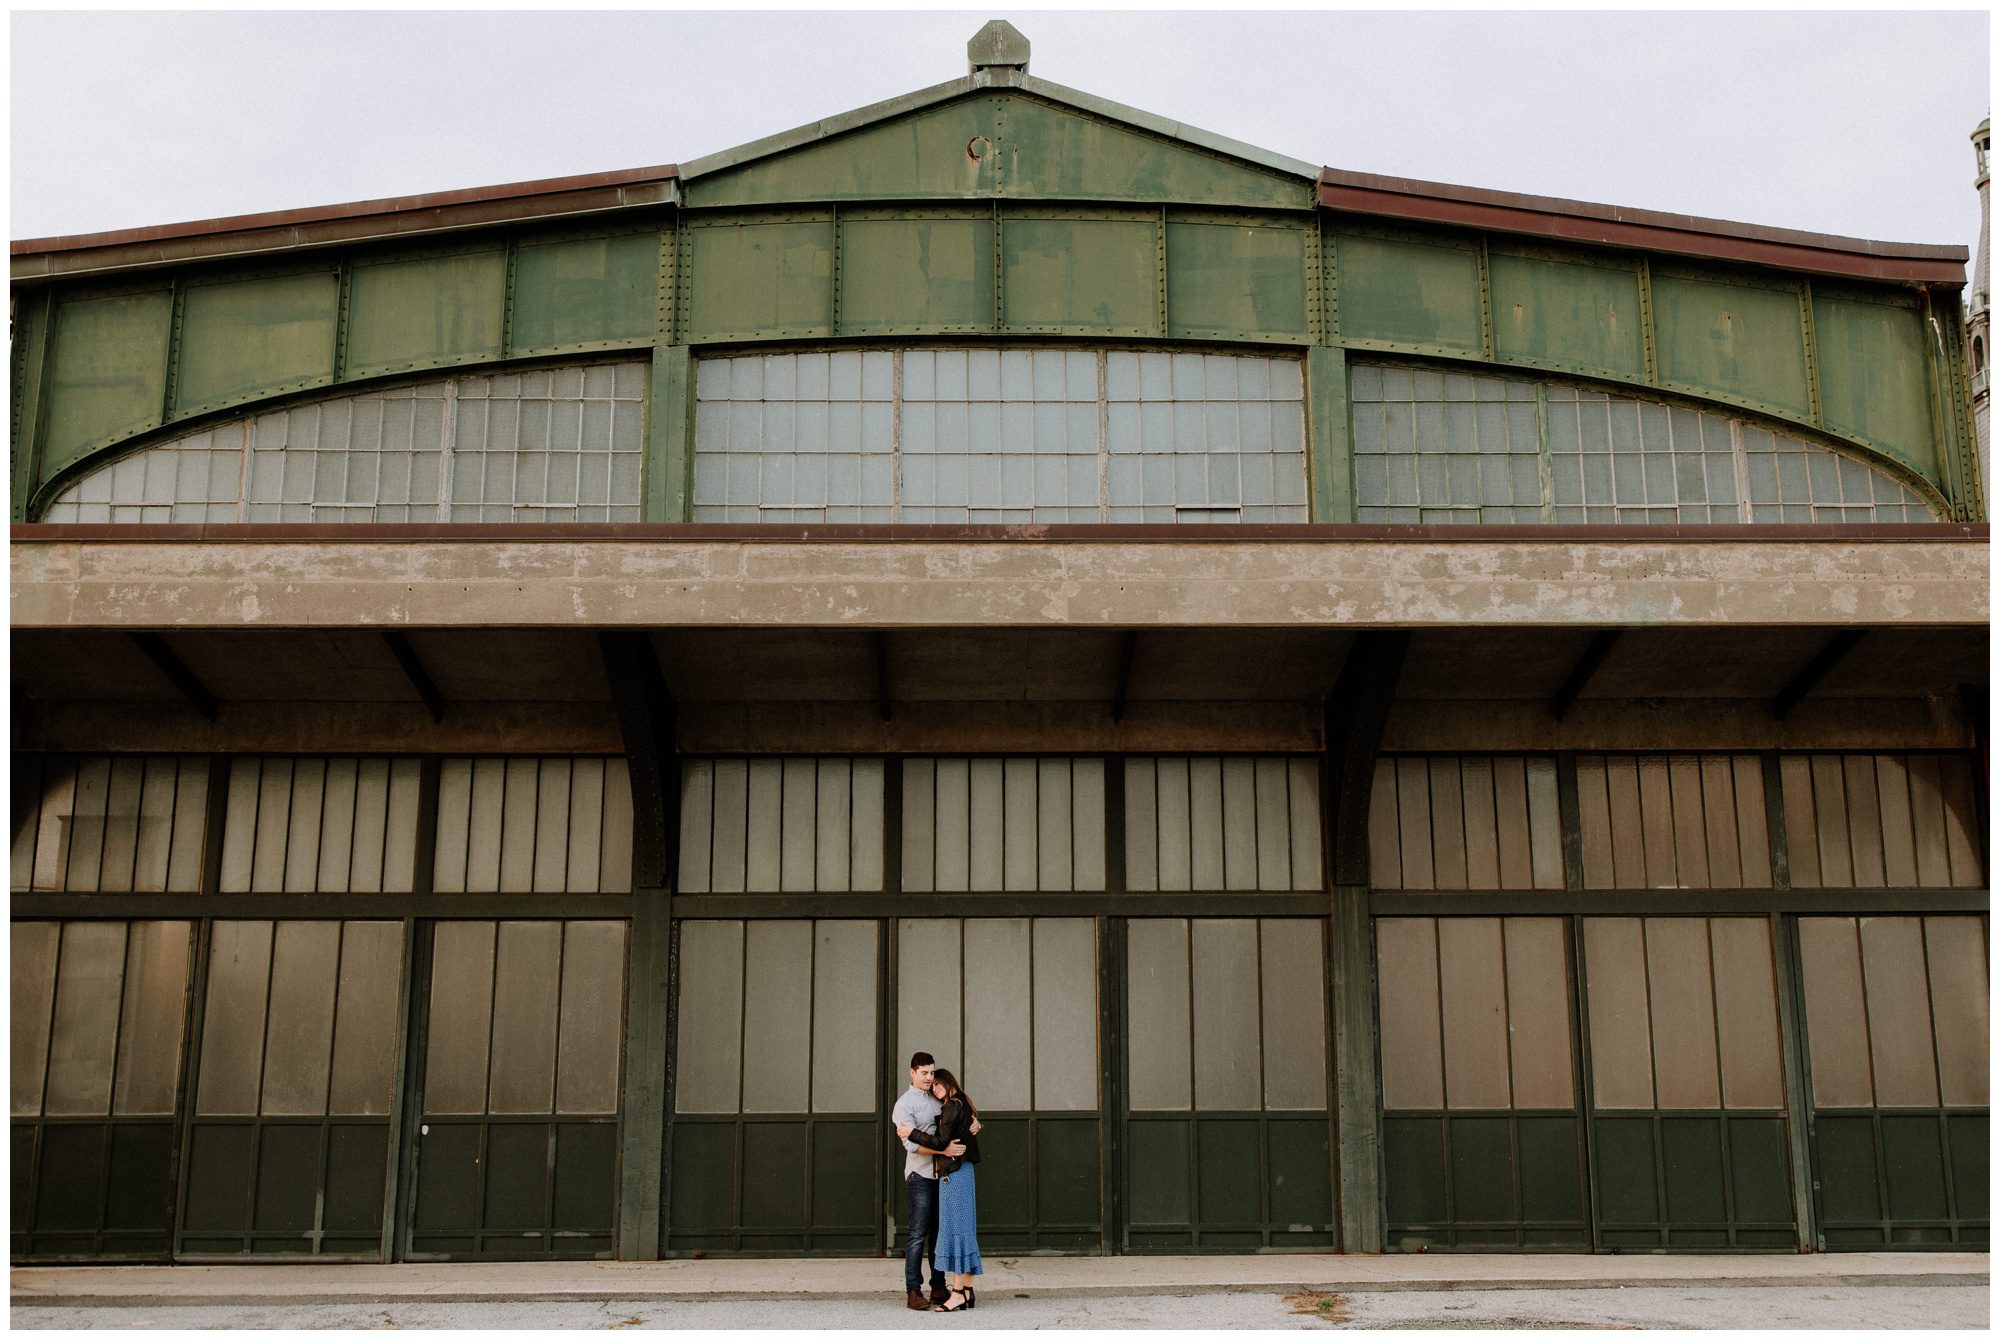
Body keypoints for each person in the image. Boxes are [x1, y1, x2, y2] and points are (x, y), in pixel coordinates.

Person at [899, 1068, 981, 1313]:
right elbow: (956, 1128)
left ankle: (955, 1292)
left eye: (935, 1079)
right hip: (931, 1173)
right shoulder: (912, 1104)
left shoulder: (951, 1105)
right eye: (926, 1077)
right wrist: (973, 1121)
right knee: (943, 1231)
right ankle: (963, 1290)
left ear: (946, 1080)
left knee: (954, 1230)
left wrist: (911, 1132)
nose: (932, 1085)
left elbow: (942, 1140)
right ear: (912, 1073)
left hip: (952, 1173)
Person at [891, 1052, 963, 1311]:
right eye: (924, 1073)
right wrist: (943, 1151)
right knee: (917, 1234)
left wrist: (975, 1122)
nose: (929, 1078)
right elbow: (911, 1145)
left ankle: (938, 1287)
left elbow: (957, 1117)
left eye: (932, 1073)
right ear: (912, 1072)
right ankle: (913, 1291)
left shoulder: (937, 1097)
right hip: (919, 1176)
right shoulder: (903, 1105)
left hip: (943, 1177)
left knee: (939, 1235)